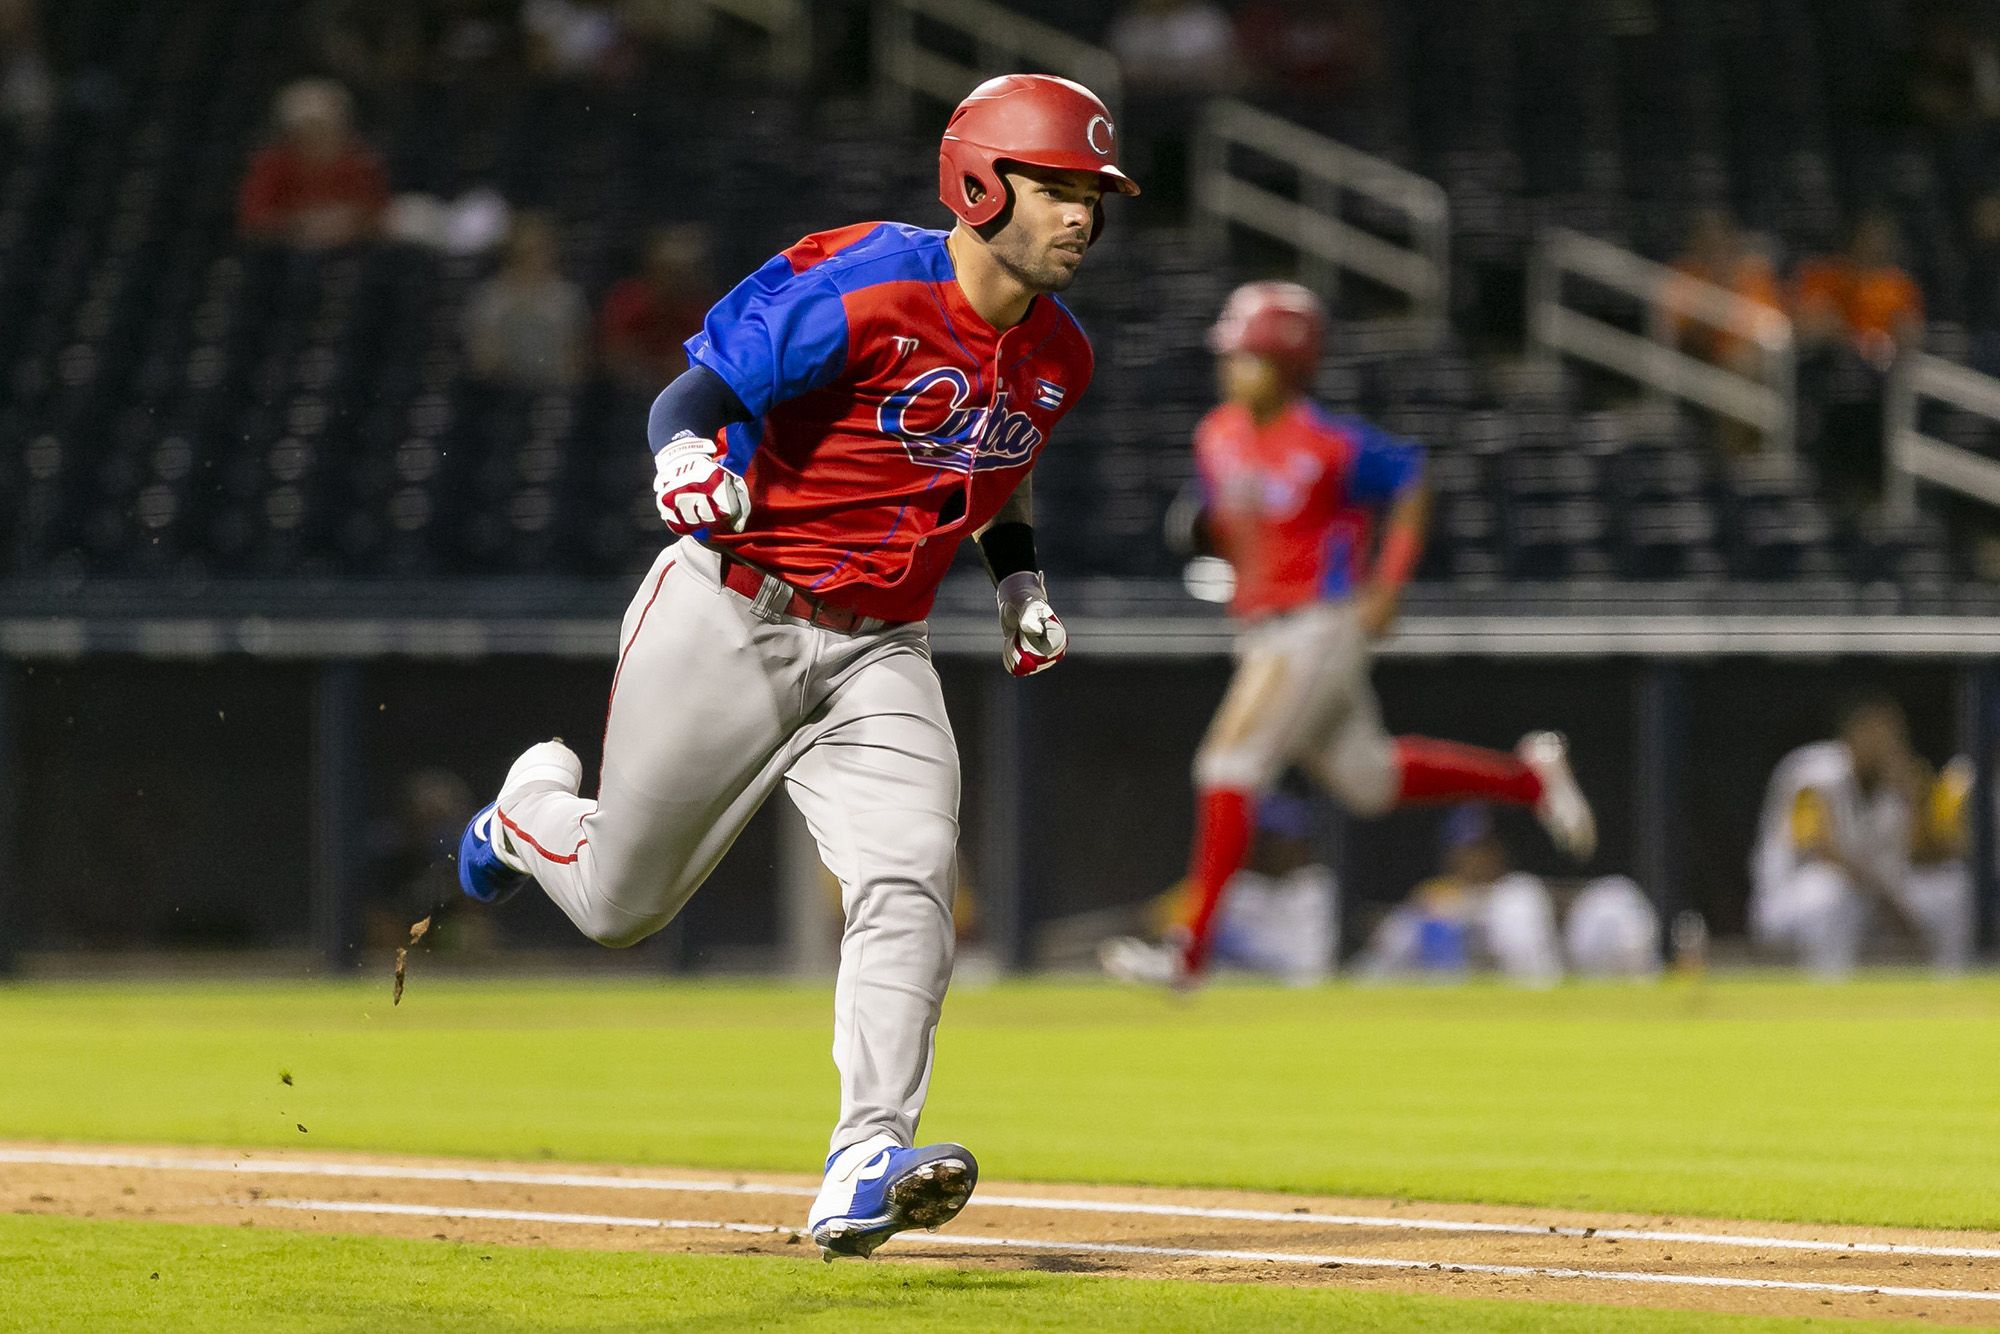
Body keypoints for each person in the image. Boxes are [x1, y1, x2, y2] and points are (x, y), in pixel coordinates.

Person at [451, 75, 1137, 1259]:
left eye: (1093, 193)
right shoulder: (867, 283)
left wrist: (1017, 580)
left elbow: (995, 463)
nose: (1081, 214)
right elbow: (695, 392)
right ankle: (526, 818)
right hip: (733, 608)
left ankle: (864, 1152)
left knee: (911, 869)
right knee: (623, 903)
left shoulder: (1059, 353)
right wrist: (679, 458)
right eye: (1058, 187)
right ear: (981, 182)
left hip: (883, 644)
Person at [1099, 282, 1593, 991]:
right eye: (1232, 356)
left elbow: (1412, 478)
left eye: (1249, 356)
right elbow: (1225, 530)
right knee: (1370, 781)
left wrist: (1387, 583)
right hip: (1262, 628)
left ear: (1289, 363)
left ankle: (1190, 953)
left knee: (1227, 767)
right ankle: (1529, 778)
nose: (1232, 369)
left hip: (1318, 623)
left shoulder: (1329, 443)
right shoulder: (1216, 436)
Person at [1748, 694, 1954, 977]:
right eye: (1878, 734)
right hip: (1793, 900)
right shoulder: (1814, 772)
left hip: (1872, 898)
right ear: (1854, 735)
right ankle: (1828, 996)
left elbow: (1925, 857)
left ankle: (1947, 999)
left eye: (1894, 735)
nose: (1888, 745)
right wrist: (1888, 900)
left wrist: (1914, 804)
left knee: (1950, 894)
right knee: (1832, 893)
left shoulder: (1896, 783)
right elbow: (1820, 850)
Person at [1350, 804, 1563, 986]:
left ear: (1498, 850)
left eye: (1483, 847)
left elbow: (1526, 958)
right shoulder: (1433, 897)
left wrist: (1463, 910)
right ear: (1450, 854)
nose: (1475, 858)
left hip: (1517, 1002)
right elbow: (1376, 964)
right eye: (1466, 849)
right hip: (1449, 1011)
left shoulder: (1519, 891)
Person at [237, 79, 390, 252]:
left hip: (355, 248)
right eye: (307, 129)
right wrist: (301, 224)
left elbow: (379, 213)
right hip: (286, 252)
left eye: (324, 128)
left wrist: (348, 222)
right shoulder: (272, 164)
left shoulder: (359, 162)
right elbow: (254, 219)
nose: (316, 136)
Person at [461, 213, 590, 389]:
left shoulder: (568, 297)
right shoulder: (490, 296)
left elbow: (574, 366)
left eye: (540, 250)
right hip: (502, 393)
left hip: (553, 392)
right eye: (525, 253)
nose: (533, 260)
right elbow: (482, 362)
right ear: (511, 254)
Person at [598, 224, 717, 392]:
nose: (676, 282)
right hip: (628, 393)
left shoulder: (704, 312)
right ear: (653, 269)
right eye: (670, 273)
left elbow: (709, 363)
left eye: (683, 274)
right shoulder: (629, 301)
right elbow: (613, 357)